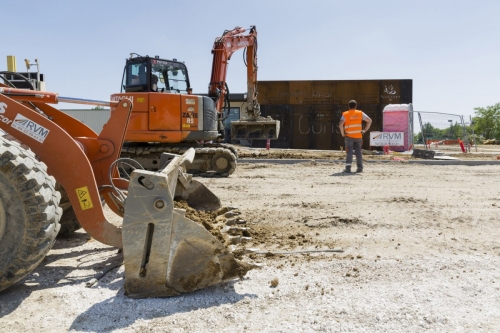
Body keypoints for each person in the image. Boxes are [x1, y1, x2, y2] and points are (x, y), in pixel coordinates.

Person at [338, 100, 372, 173]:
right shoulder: (360, 113)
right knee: (358, 152)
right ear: (355, 106)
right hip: (358, 136)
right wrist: (364, 130)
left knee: (349, 151)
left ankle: (348, 168)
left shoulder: (346, 114)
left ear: (348, 106)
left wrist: (342, 133)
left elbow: (340, 124)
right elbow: (369, 120)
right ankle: (360, 168)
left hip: (349, 136)